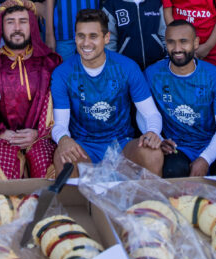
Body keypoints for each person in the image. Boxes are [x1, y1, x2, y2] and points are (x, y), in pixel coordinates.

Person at [51, 9, 164, 175]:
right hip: (84, 146)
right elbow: (60, 124)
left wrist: (153, 132)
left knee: (152, 153)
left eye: (93, 36)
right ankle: (80, 202)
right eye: (81, 36)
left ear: (106, 38)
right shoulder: (63, 73)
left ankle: (145, 201)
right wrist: (63, 139)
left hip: (122, 144)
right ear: (75, 38)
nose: (86, 43)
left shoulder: (127, 67)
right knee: (64, 157)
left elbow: (151, 114)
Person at [0, 0, 61, 179]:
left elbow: (58, 105)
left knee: (45, 165)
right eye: (10, 22)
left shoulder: (50, 63)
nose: (17, 27)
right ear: (1, 27)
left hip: (40, 138)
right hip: (1, 138)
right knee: (2, 172)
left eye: (23, 21)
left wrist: (39, 133)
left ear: (32, 25)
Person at [146, 20, 216, 177]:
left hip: (212, 143)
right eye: (171, 42)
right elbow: (145, 114)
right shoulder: (152, 74)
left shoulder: (214, 75)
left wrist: (205, 159)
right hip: (178, 146)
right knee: (173, 170)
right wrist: (158, 138)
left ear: (196, 43)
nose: (177, 49)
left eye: (183, 42)